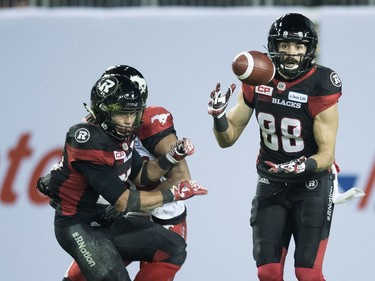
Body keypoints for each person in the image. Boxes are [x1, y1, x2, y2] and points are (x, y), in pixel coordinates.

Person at [207, 13, 341, 281]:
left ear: (309, 49)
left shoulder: (321, 84)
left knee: (307, 273)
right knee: (267, 272)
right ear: (274, 47)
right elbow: (227, 139)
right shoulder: (258, 78)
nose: (291, 53)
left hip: (311, 184)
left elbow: (327, 155)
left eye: (298, 46)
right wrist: (219, 117)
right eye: (285, 45)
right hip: (271, 181)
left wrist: (304, 164)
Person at [46, 72, 207, 281]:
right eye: (123, 114)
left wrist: (172, 156)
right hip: (80, 224)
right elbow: (123, 201)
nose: (129, 121)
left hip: (109, 220)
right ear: (104, 114)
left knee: (175, 249)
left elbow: (142, 175)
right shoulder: (88, 140)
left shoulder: (122, 133)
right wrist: (173, 194)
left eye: (133, 113)